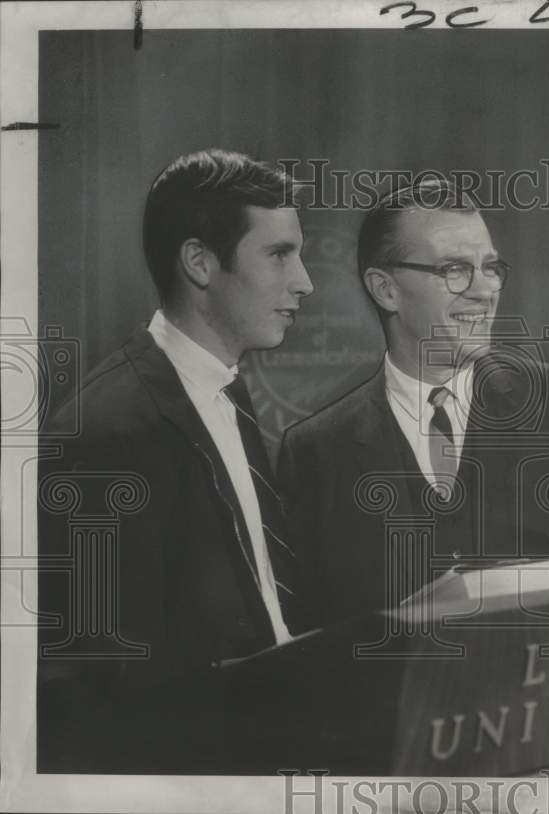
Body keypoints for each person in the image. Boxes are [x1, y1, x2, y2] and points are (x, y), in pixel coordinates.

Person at [37, 148, 314, 772]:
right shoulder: (106, 433)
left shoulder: (223, 384)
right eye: (279, 254)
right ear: (199, 262)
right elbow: (96, 692)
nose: (305, 282)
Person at [279, 180, 549, 631]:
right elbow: (309, 635)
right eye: (455, 270)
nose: (485, 291)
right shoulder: (316, 451)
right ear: (385, 289)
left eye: (491, 267)